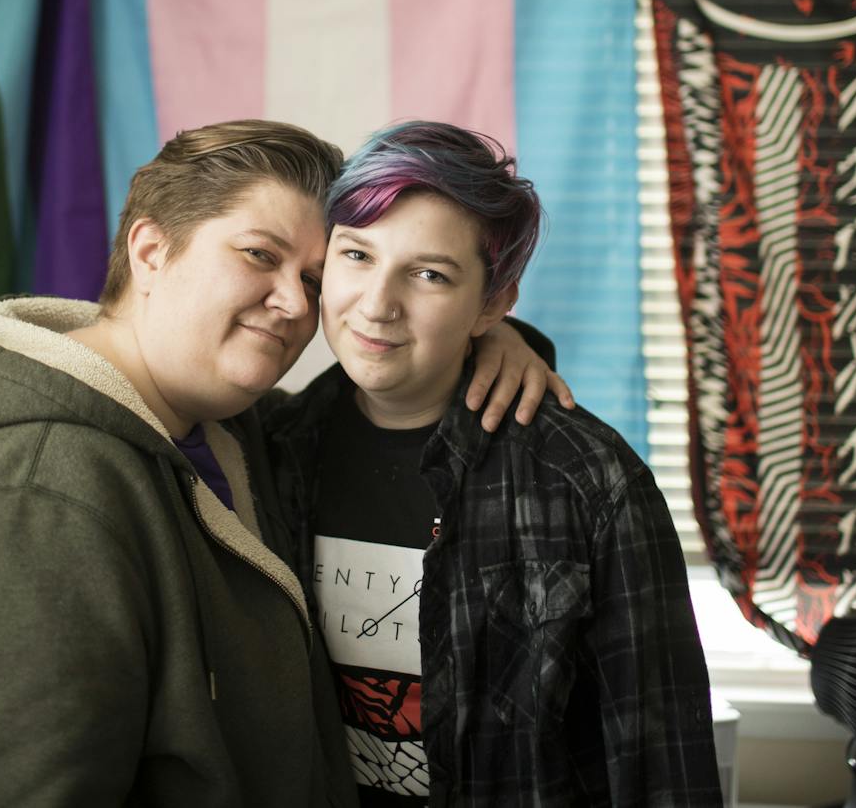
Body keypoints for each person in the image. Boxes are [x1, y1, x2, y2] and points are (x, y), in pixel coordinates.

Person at [0, 119, 560, 807]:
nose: (294, 303)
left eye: (316, 277)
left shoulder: (226, 429)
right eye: (260, 254)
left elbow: (388, 387)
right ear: (151, 249)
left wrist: (485, 339)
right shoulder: (30, 499)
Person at [266, 121, 721, 807]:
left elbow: (663, 767)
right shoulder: (269, 449)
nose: (378, 303)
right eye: (357, 254)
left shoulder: (589, 483)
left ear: (493, 304)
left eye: (429, 274)